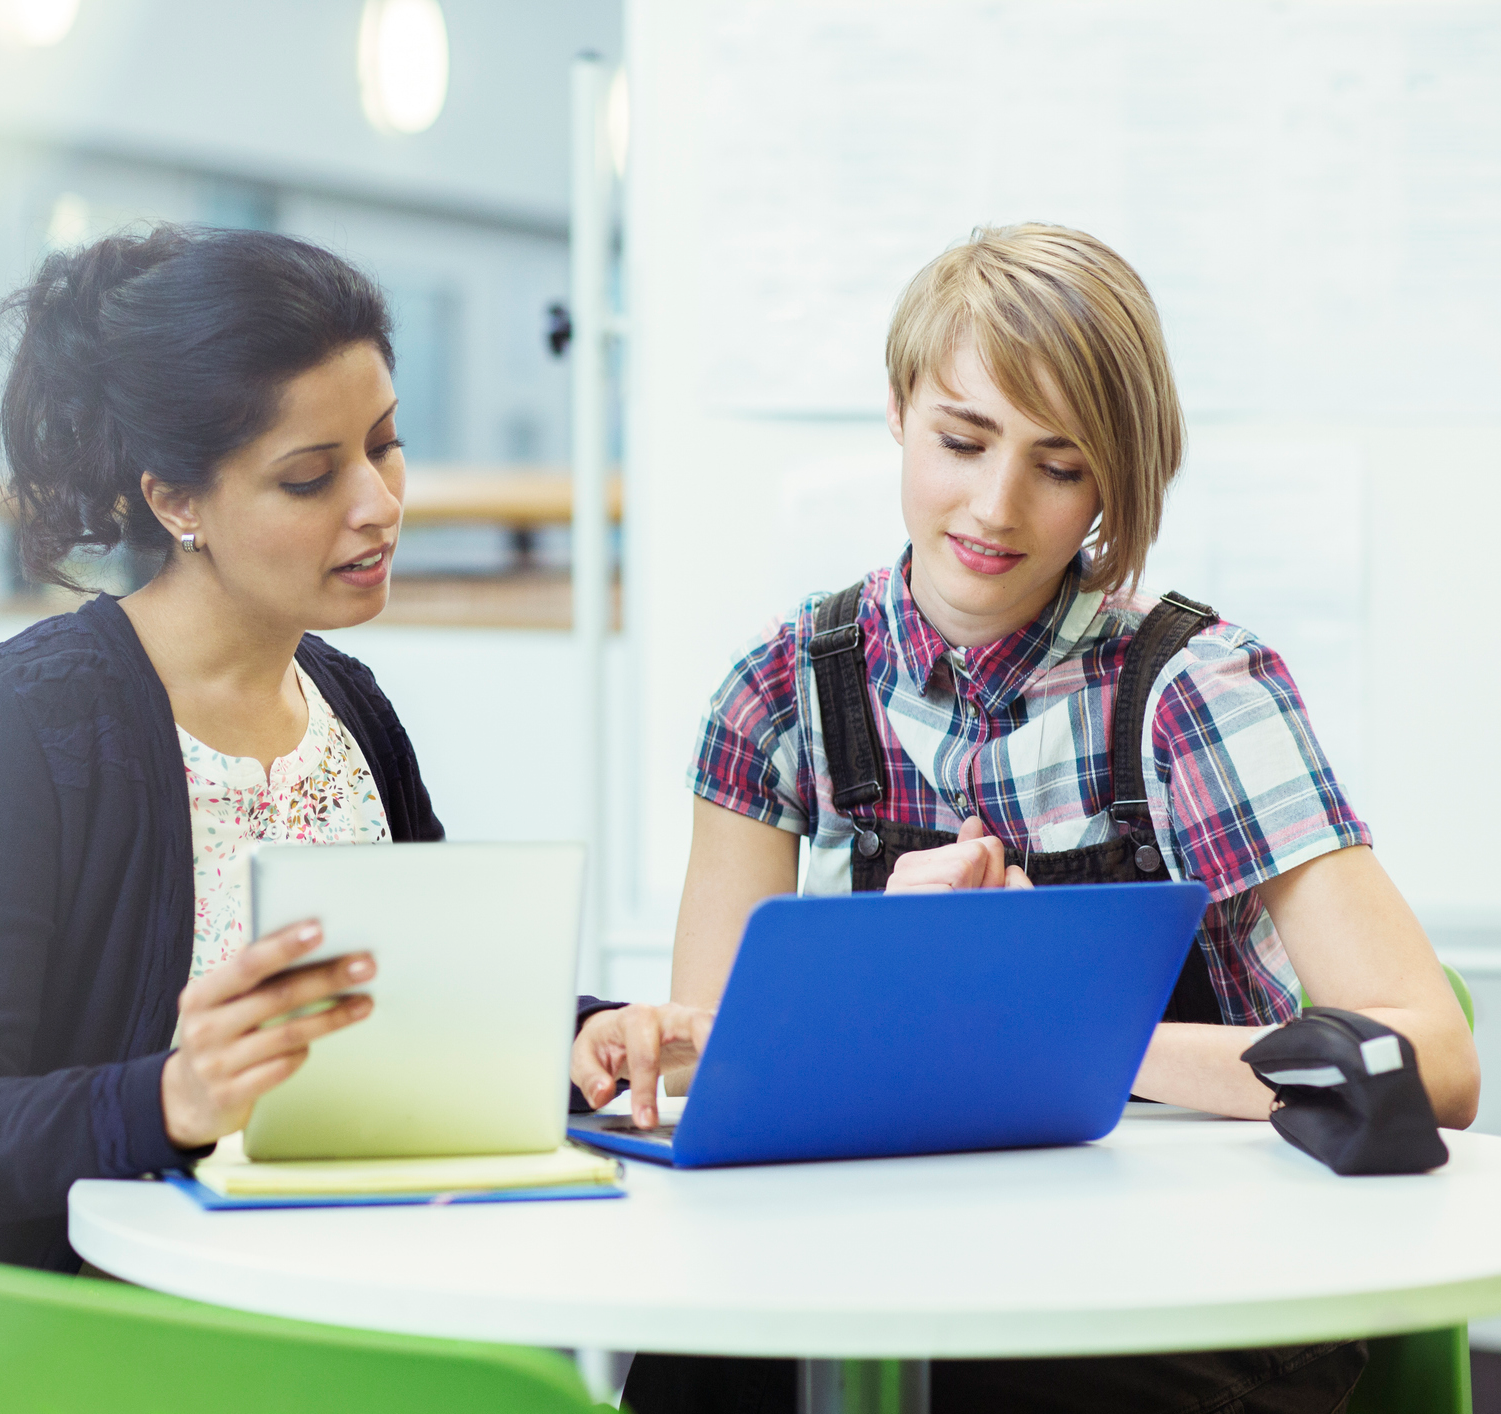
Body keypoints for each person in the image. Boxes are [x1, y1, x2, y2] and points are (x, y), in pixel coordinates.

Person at [570, 224, 1479, 1413]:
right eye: (962, 439)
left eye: (1059, 466)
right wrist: (870, 978)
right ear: (898, 407)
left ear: (1112, 485)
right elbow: (723, 1078)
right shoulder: (778, 694)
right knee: (700, 1377)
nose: (995, 507)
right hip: (899, 1261)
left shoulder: (1192, 691)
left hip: (1200, 1286)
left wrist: (1044, 1034)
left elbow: (1436, 1063)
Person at [0, 225, 441, 1414]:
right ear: (177, 498)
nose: (379, 505)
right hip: (29, 1341)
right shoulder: (26, 726)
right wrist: (173, 1100)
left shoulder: (348, 705)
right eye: (311, 475)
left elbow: (429, 1001)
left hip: (287, 1298)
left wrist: (577, 1039)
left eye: (387, 447)